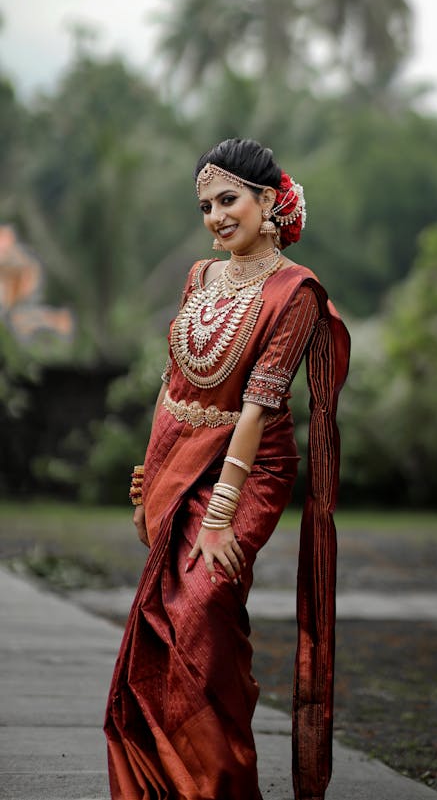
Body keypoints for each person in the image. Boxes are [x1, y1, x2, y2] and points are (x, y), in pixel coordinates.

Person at [104, 138, 350, 800]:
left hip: (250, 469)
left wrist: (219, 515)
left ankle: (221, 783)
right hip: (177, 460)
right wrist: (147, 478)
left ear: (267, 201)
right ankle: (171, 778)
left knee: (205, 604)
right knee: (172, 618)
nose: (215, 215)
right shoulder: (199, 277)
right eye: (205, 204)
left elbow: (258, 403)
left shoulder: (296, 292)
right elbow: (173, 381)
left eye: (228, 198)